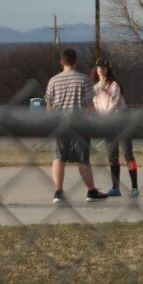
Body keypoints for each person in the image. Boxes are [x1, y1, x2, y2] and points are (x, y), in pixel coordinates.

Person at [44, 48, 108, 204]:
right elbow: (90, 104)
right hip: (79, 123)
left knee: (59, 157)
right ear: (75, 61)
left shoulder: (53, 80)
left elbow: (49, 104)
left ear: (61, 62)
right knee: (83, 159)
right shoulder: (83, 79)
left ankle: (58, 192)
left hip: (60, 123)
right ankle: (91, 191)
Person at [91, 57, 139, 197]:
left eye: (104, 67)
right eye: (98, 67)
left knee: (128, 153)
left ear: (108, 69)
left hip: (122, 122)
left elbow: (114, 104)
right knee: (112, 156)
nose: (101, 69)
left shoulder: (114, 85)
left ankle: (134, 187)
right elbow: (96, 105)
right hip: (108, 124)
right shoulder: (95, 87)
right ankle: (115, 188)